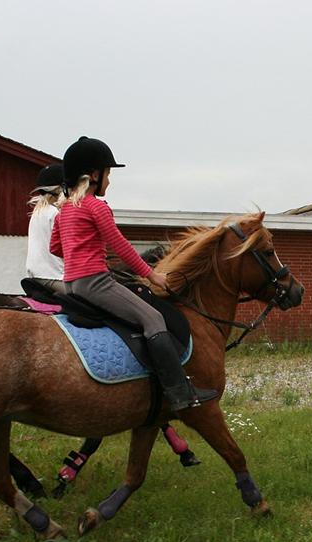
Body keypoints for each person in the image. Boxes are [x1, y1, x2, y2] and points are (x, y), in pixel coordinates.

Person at [51, 136, 217, 413]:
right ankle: (180, 392)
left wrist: (80, 255)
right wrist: (152, 276)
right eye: (108, 173)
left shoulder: (65, 209)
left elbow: (55, 247)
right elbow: (121, 245)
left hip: (72, 285)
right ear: (94, 175)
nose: (109, 180)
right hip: (96, 283)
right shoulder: (96, 207)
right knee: (153, 318)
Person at [25, 163, 68, 297]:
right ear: (61, 189)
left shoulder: (37, 212)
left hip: (35, 276)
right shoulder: (56, 214)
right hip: (55, 276)